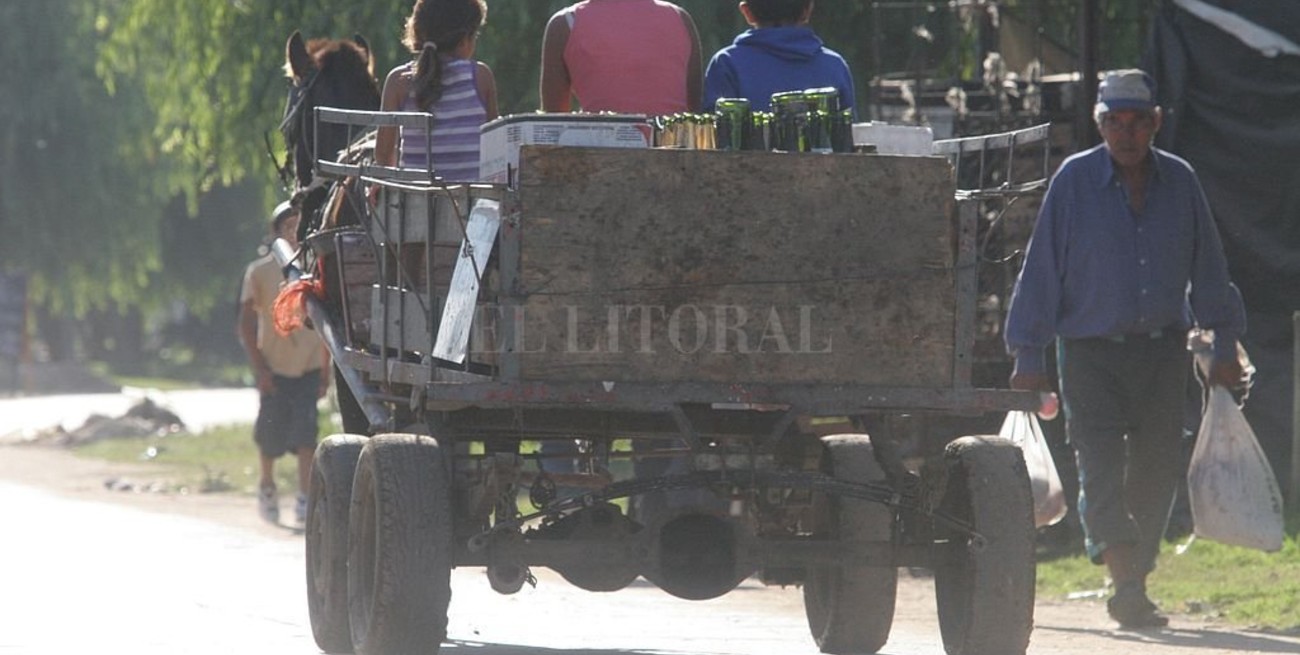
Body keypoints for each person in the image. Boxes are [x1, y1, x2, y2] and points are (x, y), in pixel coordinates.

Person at [1004, 69, 1246, 629]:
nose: (1127, 134)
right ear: (1100, 123)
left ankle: (1136, 573)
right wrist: (1028, 358)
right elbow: (1041, 272)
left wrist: (1225, 345)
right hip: (1089, 353)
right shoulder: (1073, 181)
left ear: (1156, 123)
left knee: (1158, 469)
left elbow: (1210, 269)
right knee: (1101, 467)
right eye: (1115, 122)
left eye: (1138, 122)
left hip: (1162, 352)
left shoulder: (1181, 182)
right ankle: (1128, 585)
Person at [238, 200, 331, 524]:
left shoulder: (315, 271)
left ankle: (304, 495)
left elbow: (326, 324)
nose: (293, 233)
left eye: (298, 226)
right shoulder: (260, 272)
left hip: (308, 365)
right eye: (287, 227)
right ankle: (267, 485)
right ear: (275, 232)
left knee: (307, 434)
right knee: (270, 433)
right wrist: (259, 367)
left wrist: (326, 370)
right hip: (273, 366)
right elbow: (246, 323)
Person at [374, 0, 498, 180]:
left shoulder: (398, 81)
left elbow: (384, 156)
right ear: (464, 40)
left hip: (412, 202)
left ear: (417, 31)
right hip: (472, 203)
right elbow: (495, 148)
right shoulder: (480, 77)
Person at [540, 0, 702, 114]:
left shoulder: (564, 26)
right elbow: (694, 111)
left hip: (598, 155)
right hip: (675, 155)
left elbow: (553, 124)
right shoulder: (680, 19)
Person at [702, 0, 855, 113]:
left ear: (746, 12)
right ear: (808, 9)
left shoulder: (726, 63)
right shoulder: (834, 65)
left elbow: (714, 138)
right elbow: (850, 136)